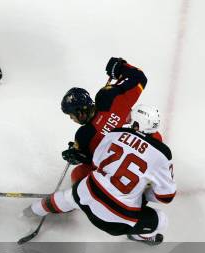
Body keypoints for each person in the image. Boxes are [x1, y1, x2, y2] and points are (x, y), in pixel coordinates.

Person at [24, 105, 176, 245]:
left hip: (85, 196)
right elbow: (166, 197)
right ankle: (139, 235)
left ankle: (29, 212)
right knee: (162, 221)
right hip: (116, 222)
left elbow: (97, 163)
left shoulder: (115, 132)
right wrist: (141, 195)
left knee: (69, 196)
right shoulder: (162, 153)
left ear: (137, 123)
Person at [60, 57, 148, 185]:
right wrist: (122, 68)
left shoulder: (84, 134)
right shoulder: (109, 97)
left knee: (78, 174)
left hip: (129, 165)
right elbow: (139, 78)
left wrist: (79, 155)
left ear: (80, 112)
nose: (71, 119)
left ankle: (88, 199)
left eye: (71, 115)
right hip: (138, 157)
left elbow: (94, 160)